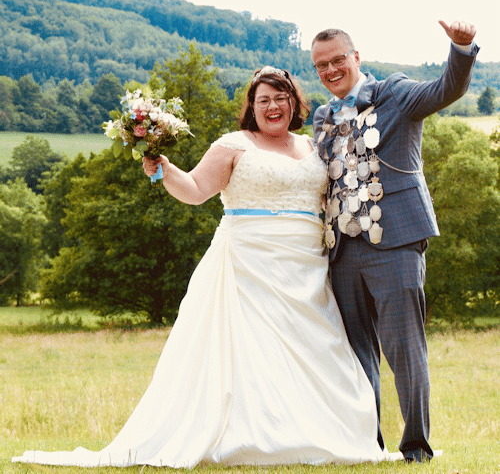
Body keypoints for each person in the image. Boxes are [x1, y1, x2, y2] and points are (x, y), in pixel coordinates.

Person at [13, 66, 389, 468]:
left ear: (294, 103)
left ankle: (318, 433)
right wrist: (163, 166)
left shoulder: (312, 145)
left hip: (307, 265)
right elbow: (195, 190)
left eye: (281, 98)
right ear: (251, 107)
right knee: (251, 355)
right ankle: (253, 436)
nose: (273, 106)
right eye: (263, 100)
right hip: (248, 264)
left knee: (316, 347)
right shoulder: (233, 145)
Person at [311, 20, 478, 463]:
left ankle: (416, 447)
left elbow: (446, 89)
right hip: (341, 249)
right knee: (355, 353)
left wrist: (461, 49)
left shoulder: (395, 93)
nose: (330, 70)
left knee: (404, 348)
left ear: (356, 57)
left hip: (397, 240)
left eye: (338, 60)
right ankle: (368, 444)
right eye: (321, 65)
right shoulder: (322, 117)